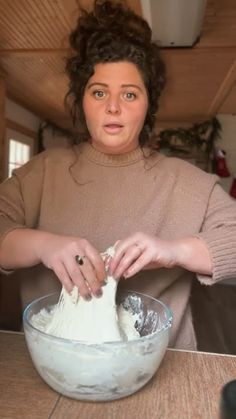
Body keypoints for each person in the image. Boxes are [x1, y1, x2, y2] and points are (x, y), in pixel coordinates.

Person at [0, 0, 236, 350]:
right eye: (99, 92)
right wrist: (43, 244)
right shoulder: (42, 173)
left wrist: (173, 251)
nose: (113, 107)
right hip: (52, 365)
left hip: (163, 367)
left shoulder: (188, 184)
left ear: (148, 104)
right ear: (82, 101)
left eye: (129, 93)